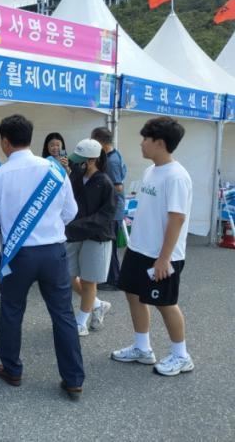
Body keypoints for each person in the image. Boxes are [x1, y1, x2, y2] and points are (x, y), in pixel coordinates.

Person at [0, 115, 84, 401]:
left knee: (12, 311)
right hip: (54, 252)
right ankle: (74, 379)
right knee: (63, 314)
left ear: (5, 141)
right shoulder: (55, 170)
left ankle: (12, 369)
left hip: (18, 254)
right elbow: (71, 212)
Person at [111, 117, 194, 377]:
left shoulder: (176, 176)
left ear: (159, 142)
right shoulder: (151, 170)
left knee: (165, 303)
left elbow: (177, 219)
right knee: (133, 294)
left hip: (162, 255)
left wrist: (164, 259)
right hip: (139, 249)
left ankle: (181, 356)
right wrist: (134, 246)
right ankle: (142, 347)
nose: (141, 143)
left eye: (145, 139)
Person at [65, 139, 116, 336]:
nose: (76, 162)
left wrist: (75, 226)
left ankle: (81, 322)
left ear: (92, 160)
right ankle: (97, 304)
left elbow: (105, 215)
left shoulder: (105, 182)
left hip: (96, 236)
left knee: (88, 281)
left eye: (80, 159)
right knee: (67, 276)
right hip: (75, 234)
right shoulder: (77, 175)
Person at [90, 126, 128, 290]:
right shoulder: (113, 154)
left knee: (110, 247)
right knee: (109, 246)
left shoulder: (112, 161)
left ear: (101, 142)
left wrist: (101, 187)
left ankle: (114, 280)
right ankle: (111, 277)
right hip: (112, 209)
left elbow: (118, 186)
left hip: (112, 211)